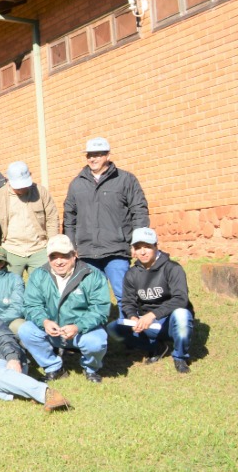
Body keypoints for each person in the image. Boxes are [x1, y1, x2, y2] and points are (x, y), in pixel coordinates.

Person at [64, 137, 149, 304]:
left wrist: (138, 242)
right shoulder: (76, 184)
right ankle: (97, 330)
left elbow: (139, 211)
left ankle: (131, 329)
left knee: (125, 296)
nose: (93, 159)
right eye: (89, 155)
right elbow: (69, 218)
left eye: (98, 154)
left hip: (116, 250)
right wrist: (71, 246)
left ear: (108, 156)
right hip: (87, 252)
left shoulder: (125, 180)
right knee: (93, 298)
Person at [18, 235, 111, 383]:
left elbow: (100, 309)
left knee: (96, 342)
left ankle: (91, 369)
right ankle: (53, 367)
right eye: (54, 257)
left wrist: (78, 326)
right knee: (25, 330)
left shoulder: (92, 275)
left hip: (82, 332)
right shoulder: (39, 275)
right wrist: (44, 321)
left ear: (74, 255)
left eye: (64, 256)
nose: (59, 261)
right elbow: (31, 305)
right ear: (48, 258)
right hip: (52, 331)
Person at [107, 227, 193, 374]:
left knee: (182, 315)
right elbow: (128, 302)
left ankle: (180, 357)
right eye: (138, 247)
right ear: (133, 250)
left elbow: (181, 299)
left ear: (156, 246)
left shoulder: (172, 268)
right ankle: (155, 347)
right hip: (148, 324)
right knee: (113, 329)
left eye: (147, 246)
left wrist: (152, 315)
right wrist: (133, 317)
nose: (143, 251)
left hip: (170, 321)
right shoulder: (132, 274)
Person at [0, 161, 58, 277]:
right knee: (10, 290)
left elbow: (52, 219)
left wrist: (53, 246)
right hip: (11, 250)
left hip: (39, 249)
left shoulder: (41, 192)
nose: (22, 188)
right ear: (8, 180)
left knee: (42, 288)